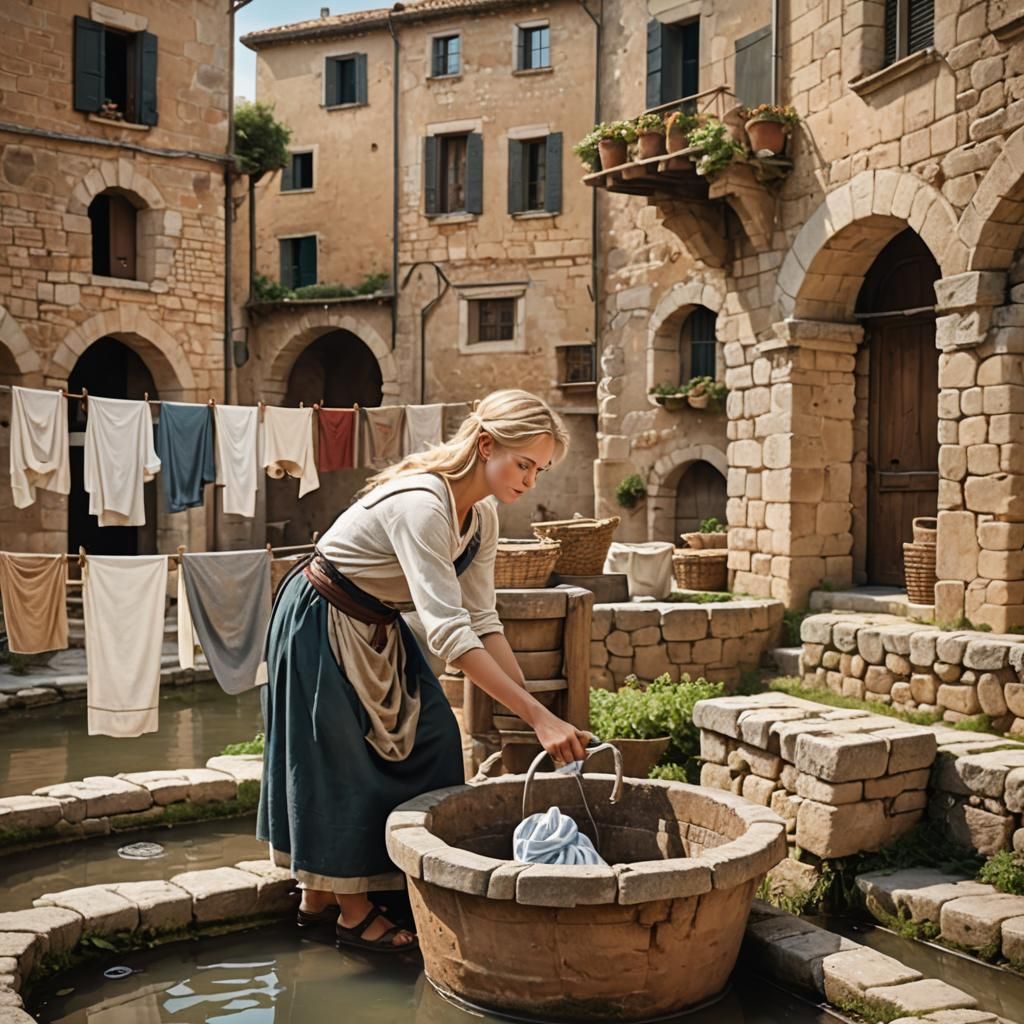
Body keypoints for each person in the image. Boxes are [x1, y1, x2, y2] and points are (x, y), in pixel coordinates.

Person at [257, 389, 591, 954]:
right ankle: (352, 913)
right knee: (338, 759)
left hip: (377, 623)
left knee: (433, 738)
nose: (531, 482)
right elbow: (449, 637)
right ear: (486, 446)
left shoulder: (480, 517)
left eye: (542, 469)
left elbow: (482, 620)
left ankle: (324, 894)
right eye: (525, 464)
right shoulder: (423, 505)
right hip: (322, 617)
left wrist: (544, 716)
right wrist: (535, 717)